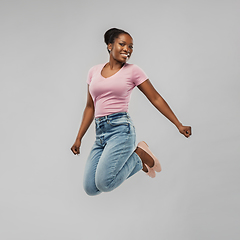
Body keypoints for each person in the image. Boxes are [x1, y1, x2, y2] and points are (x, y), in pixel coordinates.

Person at [71, 28, 191, 196]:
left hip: (121, 131)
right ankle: (139, 157)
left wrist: (178, 124)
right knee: (91, 188)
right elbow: (90, 106)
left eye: (131, 46)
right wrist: (79, 138)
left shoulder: (133, 71)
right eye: (122, 44)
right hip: (100, 134)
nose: (127, 49)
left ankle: (139, 155)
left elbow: (155, 98)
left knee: (104, 184)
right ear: (109, 46)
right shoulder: (93, 72)